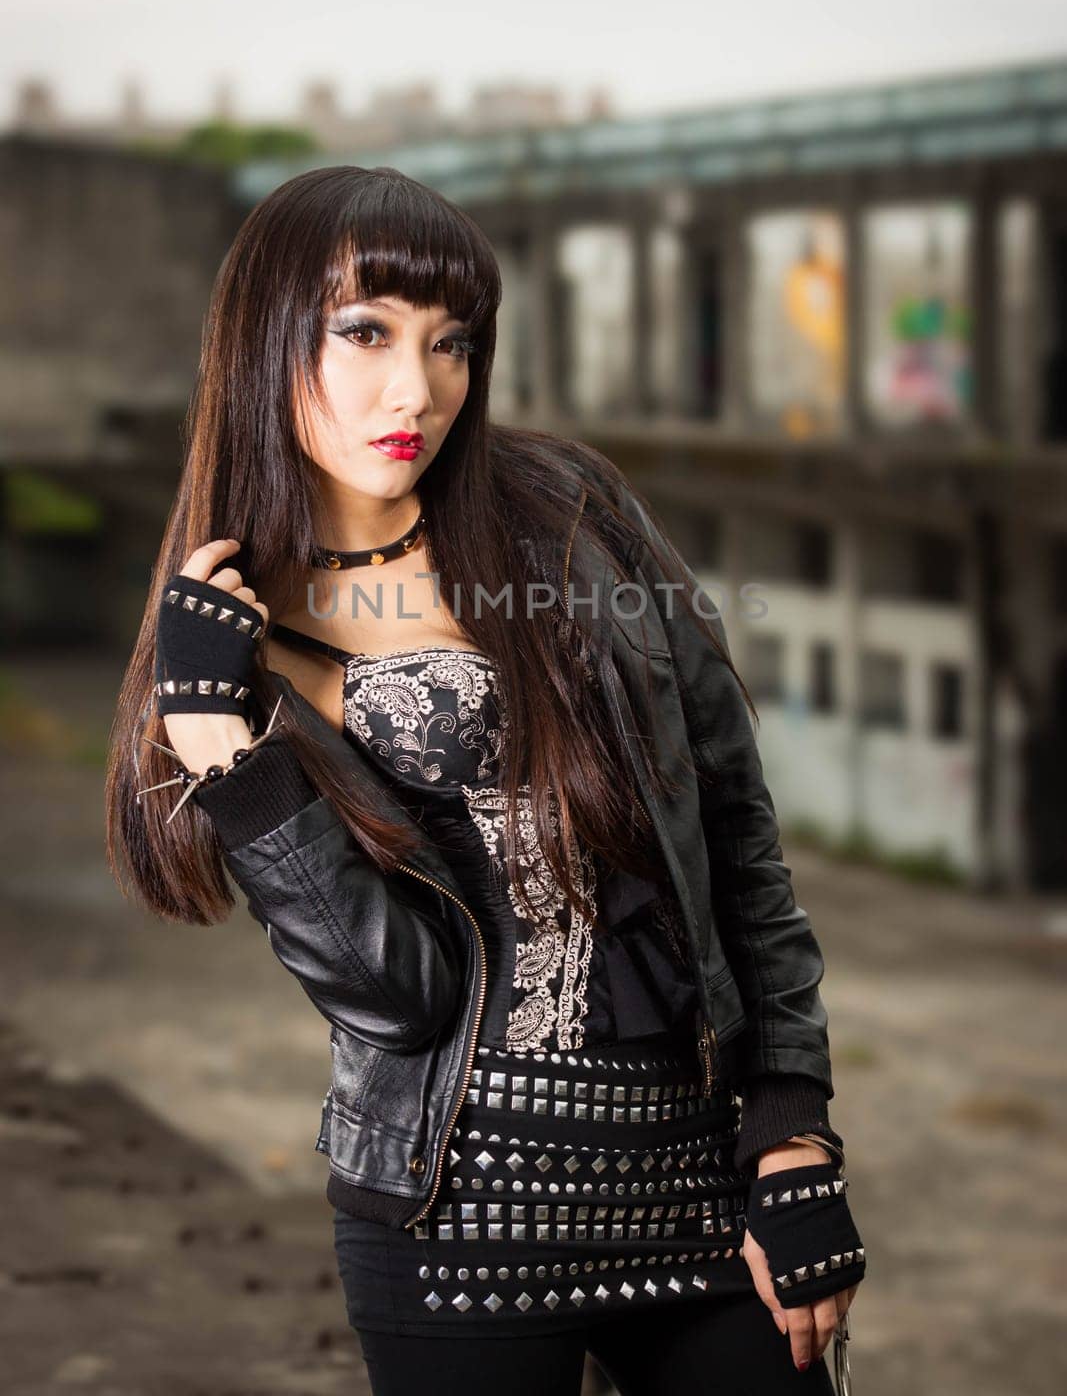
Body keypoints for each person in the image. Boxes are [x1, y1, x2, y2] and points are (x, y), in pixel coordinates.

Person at [105, 165, 866, 1396]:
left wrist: (792, 1129)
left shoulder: (570, 509)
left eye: (450, 342)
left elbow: (732, 829)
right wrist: (215, 742)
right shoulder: (223, 649)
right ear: (261, 341)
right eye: (364, 333)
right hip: (451, 1214)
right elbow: (395, 994)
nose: (417, 389)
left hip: (692, 1175)